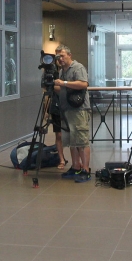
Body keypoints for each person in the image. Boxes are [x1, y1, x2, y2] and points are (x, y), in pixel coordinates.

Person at [54, 45, 91, 183]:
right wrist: (53, 84)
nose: (60, 59)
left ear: (69, 54)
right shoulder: (62, 71)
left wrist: (63, 83)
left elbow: (83, 84)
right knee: (72, 141)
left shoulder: (77, 67)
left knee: (81, 140)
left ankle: (86, 170)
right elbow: (61, 89)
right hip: (67, 109)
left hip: (79, 110)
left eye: (62, 56)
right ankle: (75, 167)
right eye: (58, 57)